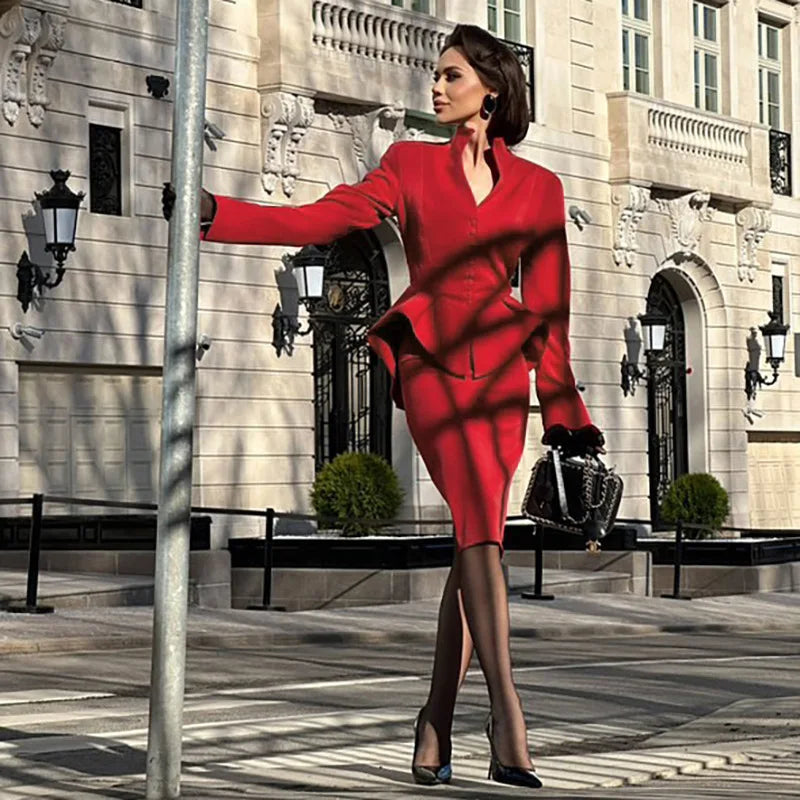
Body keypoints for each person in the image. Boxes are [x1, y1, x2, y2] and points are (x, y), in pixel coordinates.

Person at [163, 22, 604, 790]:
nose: (435, 86)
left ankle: (435, 721)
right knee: (478, 528)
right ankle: (507, 714)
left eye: (451, 75)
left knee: (480, 541)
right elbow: (322, 219)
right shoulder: (406, 164)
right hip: (430, 361)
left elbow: (549, 311)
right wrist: (215, 214)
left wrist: (562, 411)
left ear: (490, 91)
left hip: (503, 377)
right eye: (436, 75)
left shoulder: (542, 188)